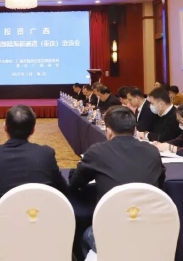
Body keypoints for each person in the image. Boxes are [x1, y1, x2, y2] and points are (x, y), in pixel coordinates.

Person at [0, 105, 67, 261]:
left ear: (5, 128)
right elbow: (62, 188)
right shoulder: (46, 154)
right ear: (33, 130)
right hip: (41, 231)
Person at [69, 106, 166, 256]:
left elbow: (75, 184)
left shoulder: (97, 151)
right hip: (149, 230)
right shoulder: (152, 151)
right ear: (134, 130)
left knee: (83, 234)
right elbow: (161, 182)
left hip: (110, 232)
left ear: (108, 131)